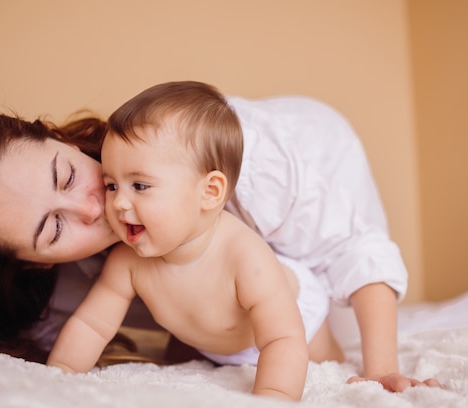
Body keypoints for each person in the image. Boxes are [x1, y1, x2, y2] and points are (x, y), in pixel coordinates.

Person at [0, 81, 439, 392]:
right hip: (218, 335)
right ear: (33, 265)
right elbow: (89, 324)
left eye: (68, 175)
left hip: (308, 270)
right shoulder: (113, 261)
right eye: (54, 228)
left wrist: (378, 368)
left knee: (315, 353)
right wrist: (55, 383)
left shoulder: (229, 181)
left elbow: (342, 260)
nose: (100, 205)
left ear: (60, 139)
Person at [47, 81, 340, 400]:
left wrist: (274, 396)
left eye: (140, 186)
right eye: (112, 185)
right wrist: (58, 374)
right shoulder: (127, 262)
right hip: (214, 343)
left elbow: (282, 339)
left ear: (209, 192)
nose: (118, 203)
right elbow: (92, 325)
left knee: (328, 365)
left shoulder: (244, 256)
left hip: (296, 320)